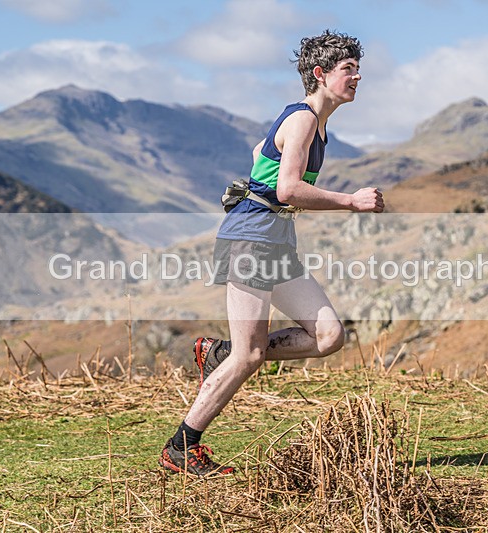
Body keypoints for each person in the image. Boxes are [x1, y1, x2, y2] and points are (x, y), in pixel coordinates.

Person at [159, 30, 384, 476]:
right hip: (251, 238)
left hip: (275, 239)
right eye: (348, 69)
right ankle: (182, 447)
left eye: (358, 68)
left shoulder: (313, 123)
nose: (358, 76)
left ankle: (220, 353)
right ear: (320, 74)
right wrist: (351, 201)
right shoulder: (302, 120)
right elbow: (288, 188)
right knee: (251, 355)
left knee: (327, 337)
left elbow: (261, 152)